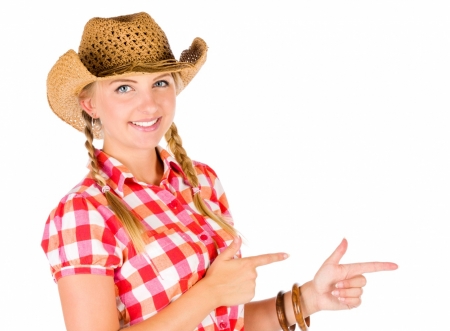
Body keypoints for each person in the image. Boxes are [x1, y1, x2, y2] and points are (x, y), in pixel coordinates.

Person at [41, 12, 398, 331]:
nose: (149, 104)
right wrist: (209, 292)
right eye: (124, 88)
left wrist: (309, 299)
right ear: (90, 104)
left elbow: (227, 322)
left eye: (160, 83)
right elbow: (210, 301)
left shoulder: (200, 181)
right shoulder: (84, 212)